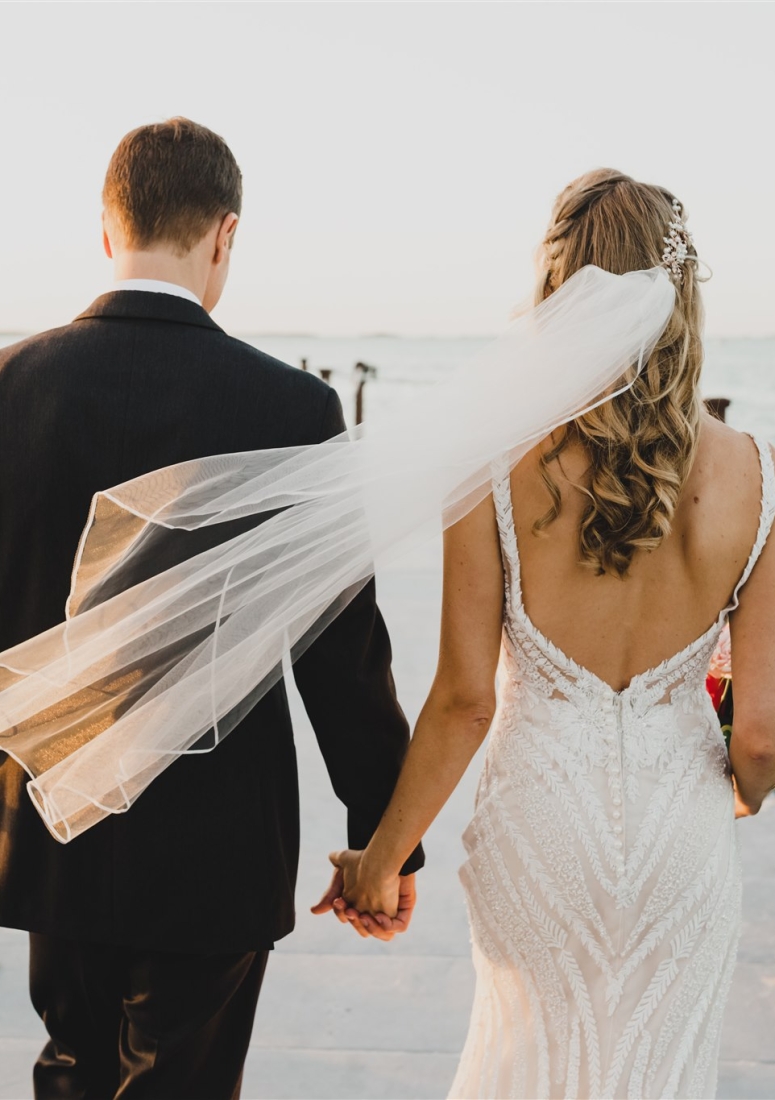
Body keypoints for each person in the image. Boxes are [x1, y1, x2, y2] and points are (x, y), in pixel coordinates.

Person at [0, 117, 422, 1100]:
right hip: (217, 843)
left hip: (51, 823)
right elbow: (343, 651)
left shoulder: (8, 387)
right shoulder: (290, 410)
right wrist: (384, 835)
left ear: (108, 229)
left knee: (68, 1070)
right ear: (224, 234)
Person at [331, 170, 775, 1098]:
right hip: (679, 837)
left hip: (539, 824)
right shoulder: (755, 477)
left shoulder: (492, 460)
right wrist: (735, 793)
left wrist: (379, 862)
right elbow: (762, 736)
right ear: (681, 295)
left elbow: (461, 701)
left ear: (560, 295)